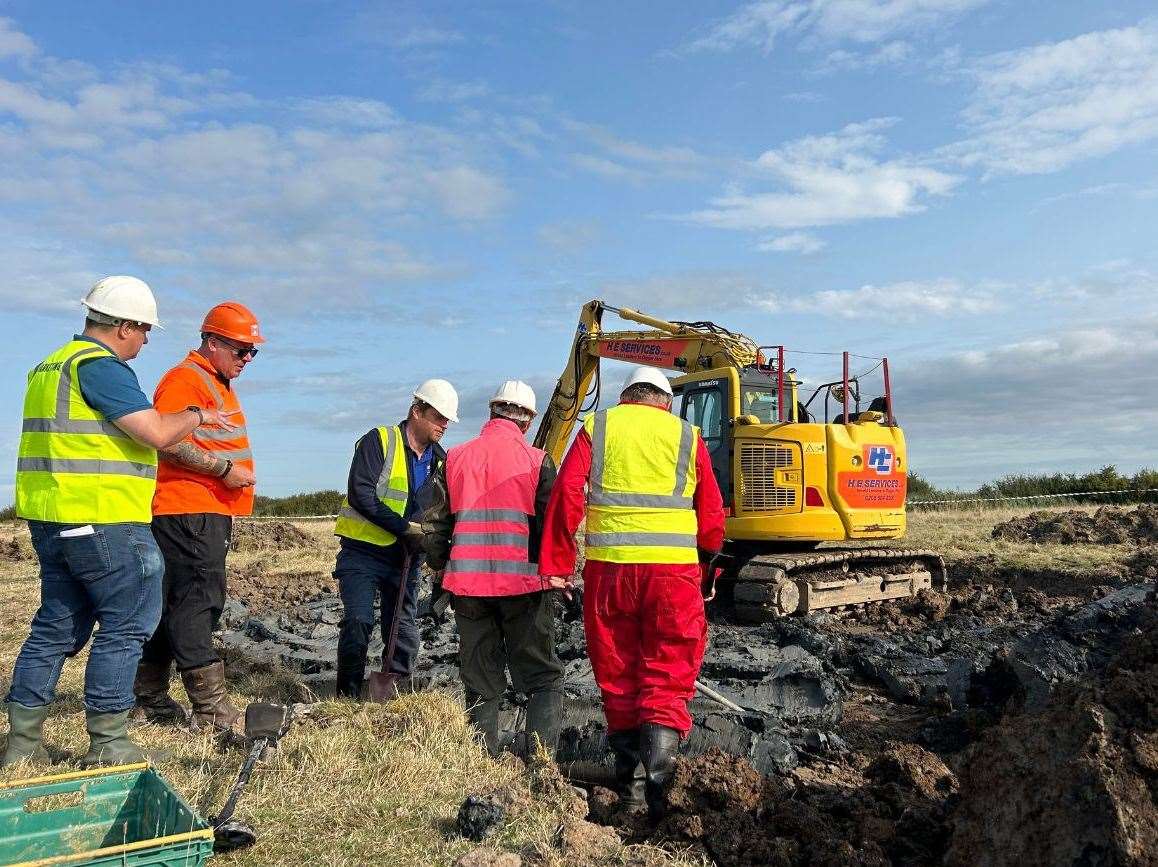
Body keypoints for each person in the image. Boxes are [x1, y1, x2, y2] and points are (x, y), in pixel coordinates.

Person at [4, 276, 235, 768]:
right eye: (145, 330)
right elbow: (152, 431)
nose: (147, 341)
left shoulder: (49, 367)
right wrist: (196, 415)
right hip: (105, 519)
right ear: (125, 326)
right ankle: (109, 741)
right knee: (127, 623)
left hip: (53, 519)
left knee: (55, 626)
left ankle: (23, 746)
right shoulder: (100, 367)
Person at [538, 366, 725, 816]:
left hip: (610, 574)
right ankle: (660, 793)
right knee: (668, 671)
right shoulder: (686, 434)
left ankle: (631, 791)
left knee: (618, 673)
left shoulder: (599, 426)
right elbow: (713, 514)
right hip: (673, 577)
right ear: (664, 400)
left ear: (626, 397)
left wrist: (559, 565)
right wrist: (706, 565)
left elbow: (566, 494)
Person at [133, 302, 263, 735]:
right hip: (190, 508)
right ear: (212, 342)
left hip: (200, 509)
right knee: (198, 601)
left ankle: (147, 698)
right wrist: (224, 471)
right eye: (241, 350)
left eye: (252, 352)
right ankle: (210, 711)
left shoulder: (214, 382)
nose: (247, 359)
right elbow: (165, 440)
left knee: (175, 602)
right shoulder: (187, 379)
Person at [423, 381, 563, 758]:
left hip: (468, 588)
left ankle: (482, 766)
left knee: (480, 678)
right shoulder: (537, 461)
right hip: (524, 587)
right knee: (541, 678)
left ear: (491, 412)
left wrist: (439, 567)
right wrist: (559, 574)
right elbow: (555, 525)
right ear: (529, 420)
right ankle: (540, 769)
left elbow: (434, 526)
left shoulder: (455, 457)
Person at [332, 379, 457, 698]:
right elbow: (361, 494)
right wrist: (404, 528)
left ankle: (394, 695)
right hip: (362, 554)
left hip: (405, 559)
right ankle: (347, 695)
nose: (444, 424)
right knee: (359, 621)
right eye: (439, 417)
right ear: (417, 411)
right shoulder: (380, 441)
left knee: (402, 629)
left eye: (447, 419)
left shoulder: (440, 461)